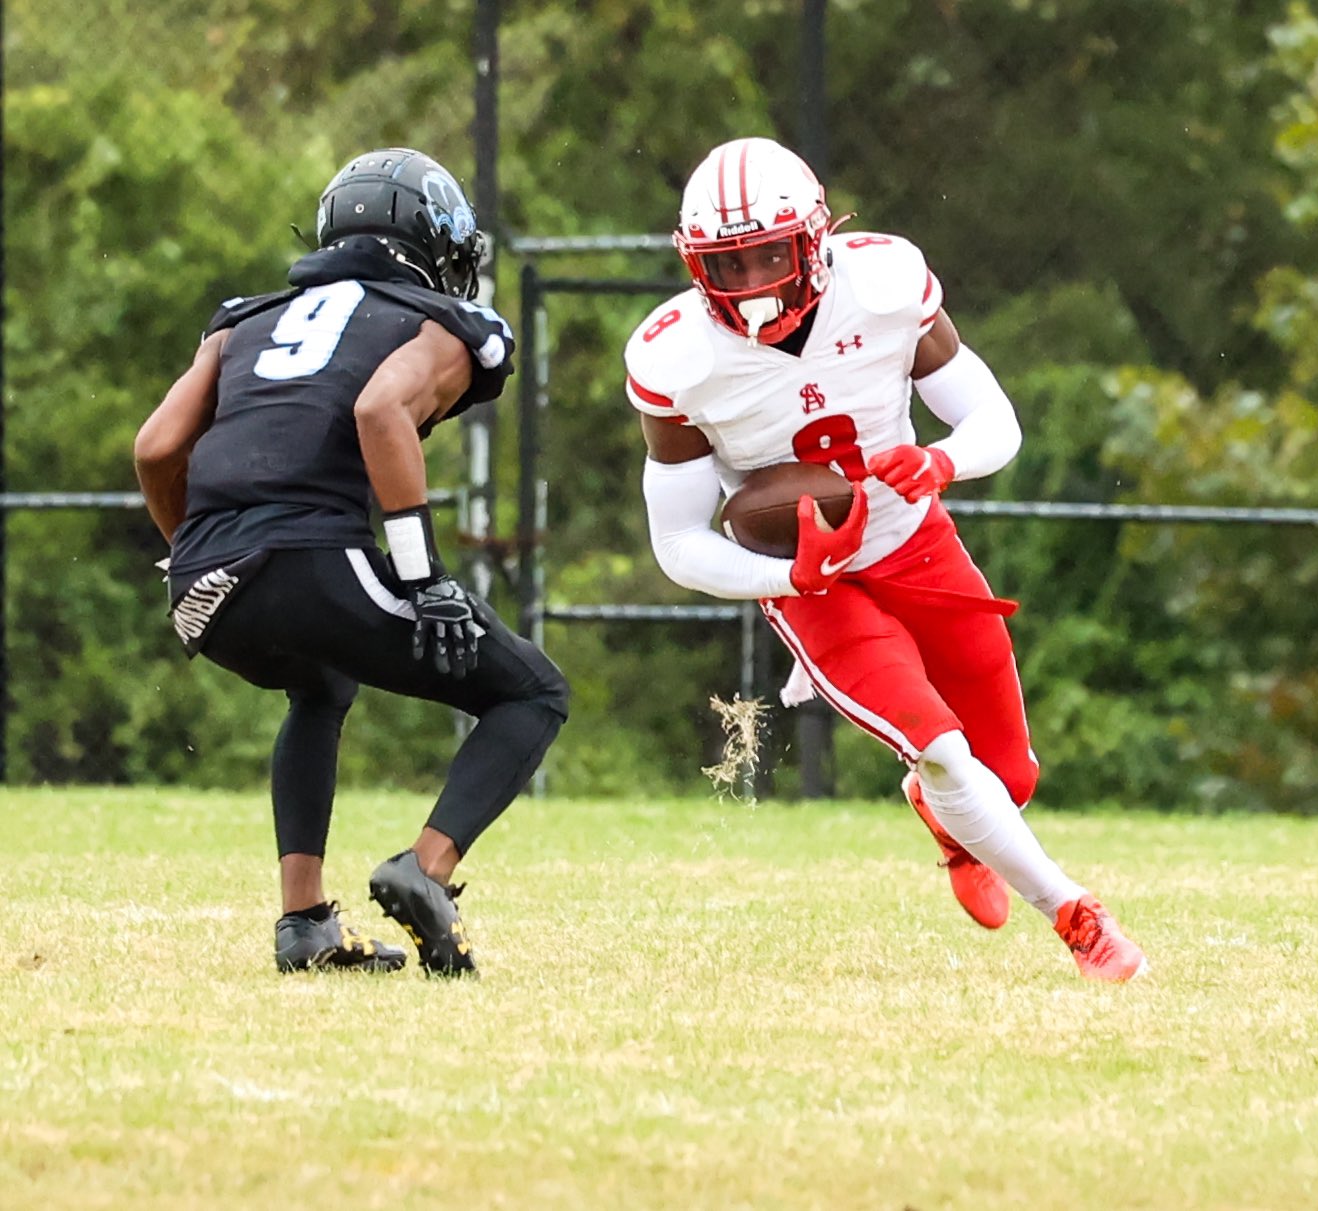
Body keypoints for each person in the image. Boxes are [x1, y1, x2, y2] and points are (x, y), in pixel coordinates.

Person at [623, 136, 1146, 981]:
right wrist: (788, 576)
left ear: (816, 237)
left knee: (1006, 770)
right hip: (814, 585)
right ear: (693, 264)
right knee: (939, 744)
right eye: (729, 264)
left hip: (914, 539)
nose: (753, 289)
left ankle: (950, 822)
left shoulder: (884, 285)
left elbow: (994, 422)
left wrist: (941, 462)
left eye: (769, 256)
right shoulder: (676, 358)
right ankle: (1080, 919)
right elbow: (679, 543)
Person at [135, 147, 569, 978]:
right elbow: (380, 409)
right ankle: (425, 869)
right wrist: (424, 575)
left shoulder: (241, 322)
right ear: (438, 247)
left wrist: (193, 553)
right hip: (310, 555)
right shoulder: (445, 324)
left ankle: (303, 921)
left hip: (203, 576)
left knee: (320, 682)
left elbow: (156, 448)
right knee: (533, 691)